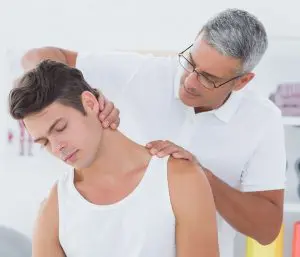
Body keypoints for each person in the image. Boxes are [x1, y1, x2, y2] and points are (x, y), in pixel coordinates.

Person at [20, 8, 286, 257]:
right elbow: (37, 56)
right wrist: (89, 95)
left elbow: (267, 230)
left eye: (209, 78)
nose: (190, 81)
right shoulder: (141, 74)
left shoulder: (262, 121)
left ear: (242, 81)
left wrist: (203, 177)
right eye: (190, 62)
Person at [8, 60, 219, 257]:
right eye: (44, 142)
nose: (57, 147)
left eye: (61, 128)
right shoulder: (53, 211)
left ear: (90, 103)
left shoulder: (180, 180)